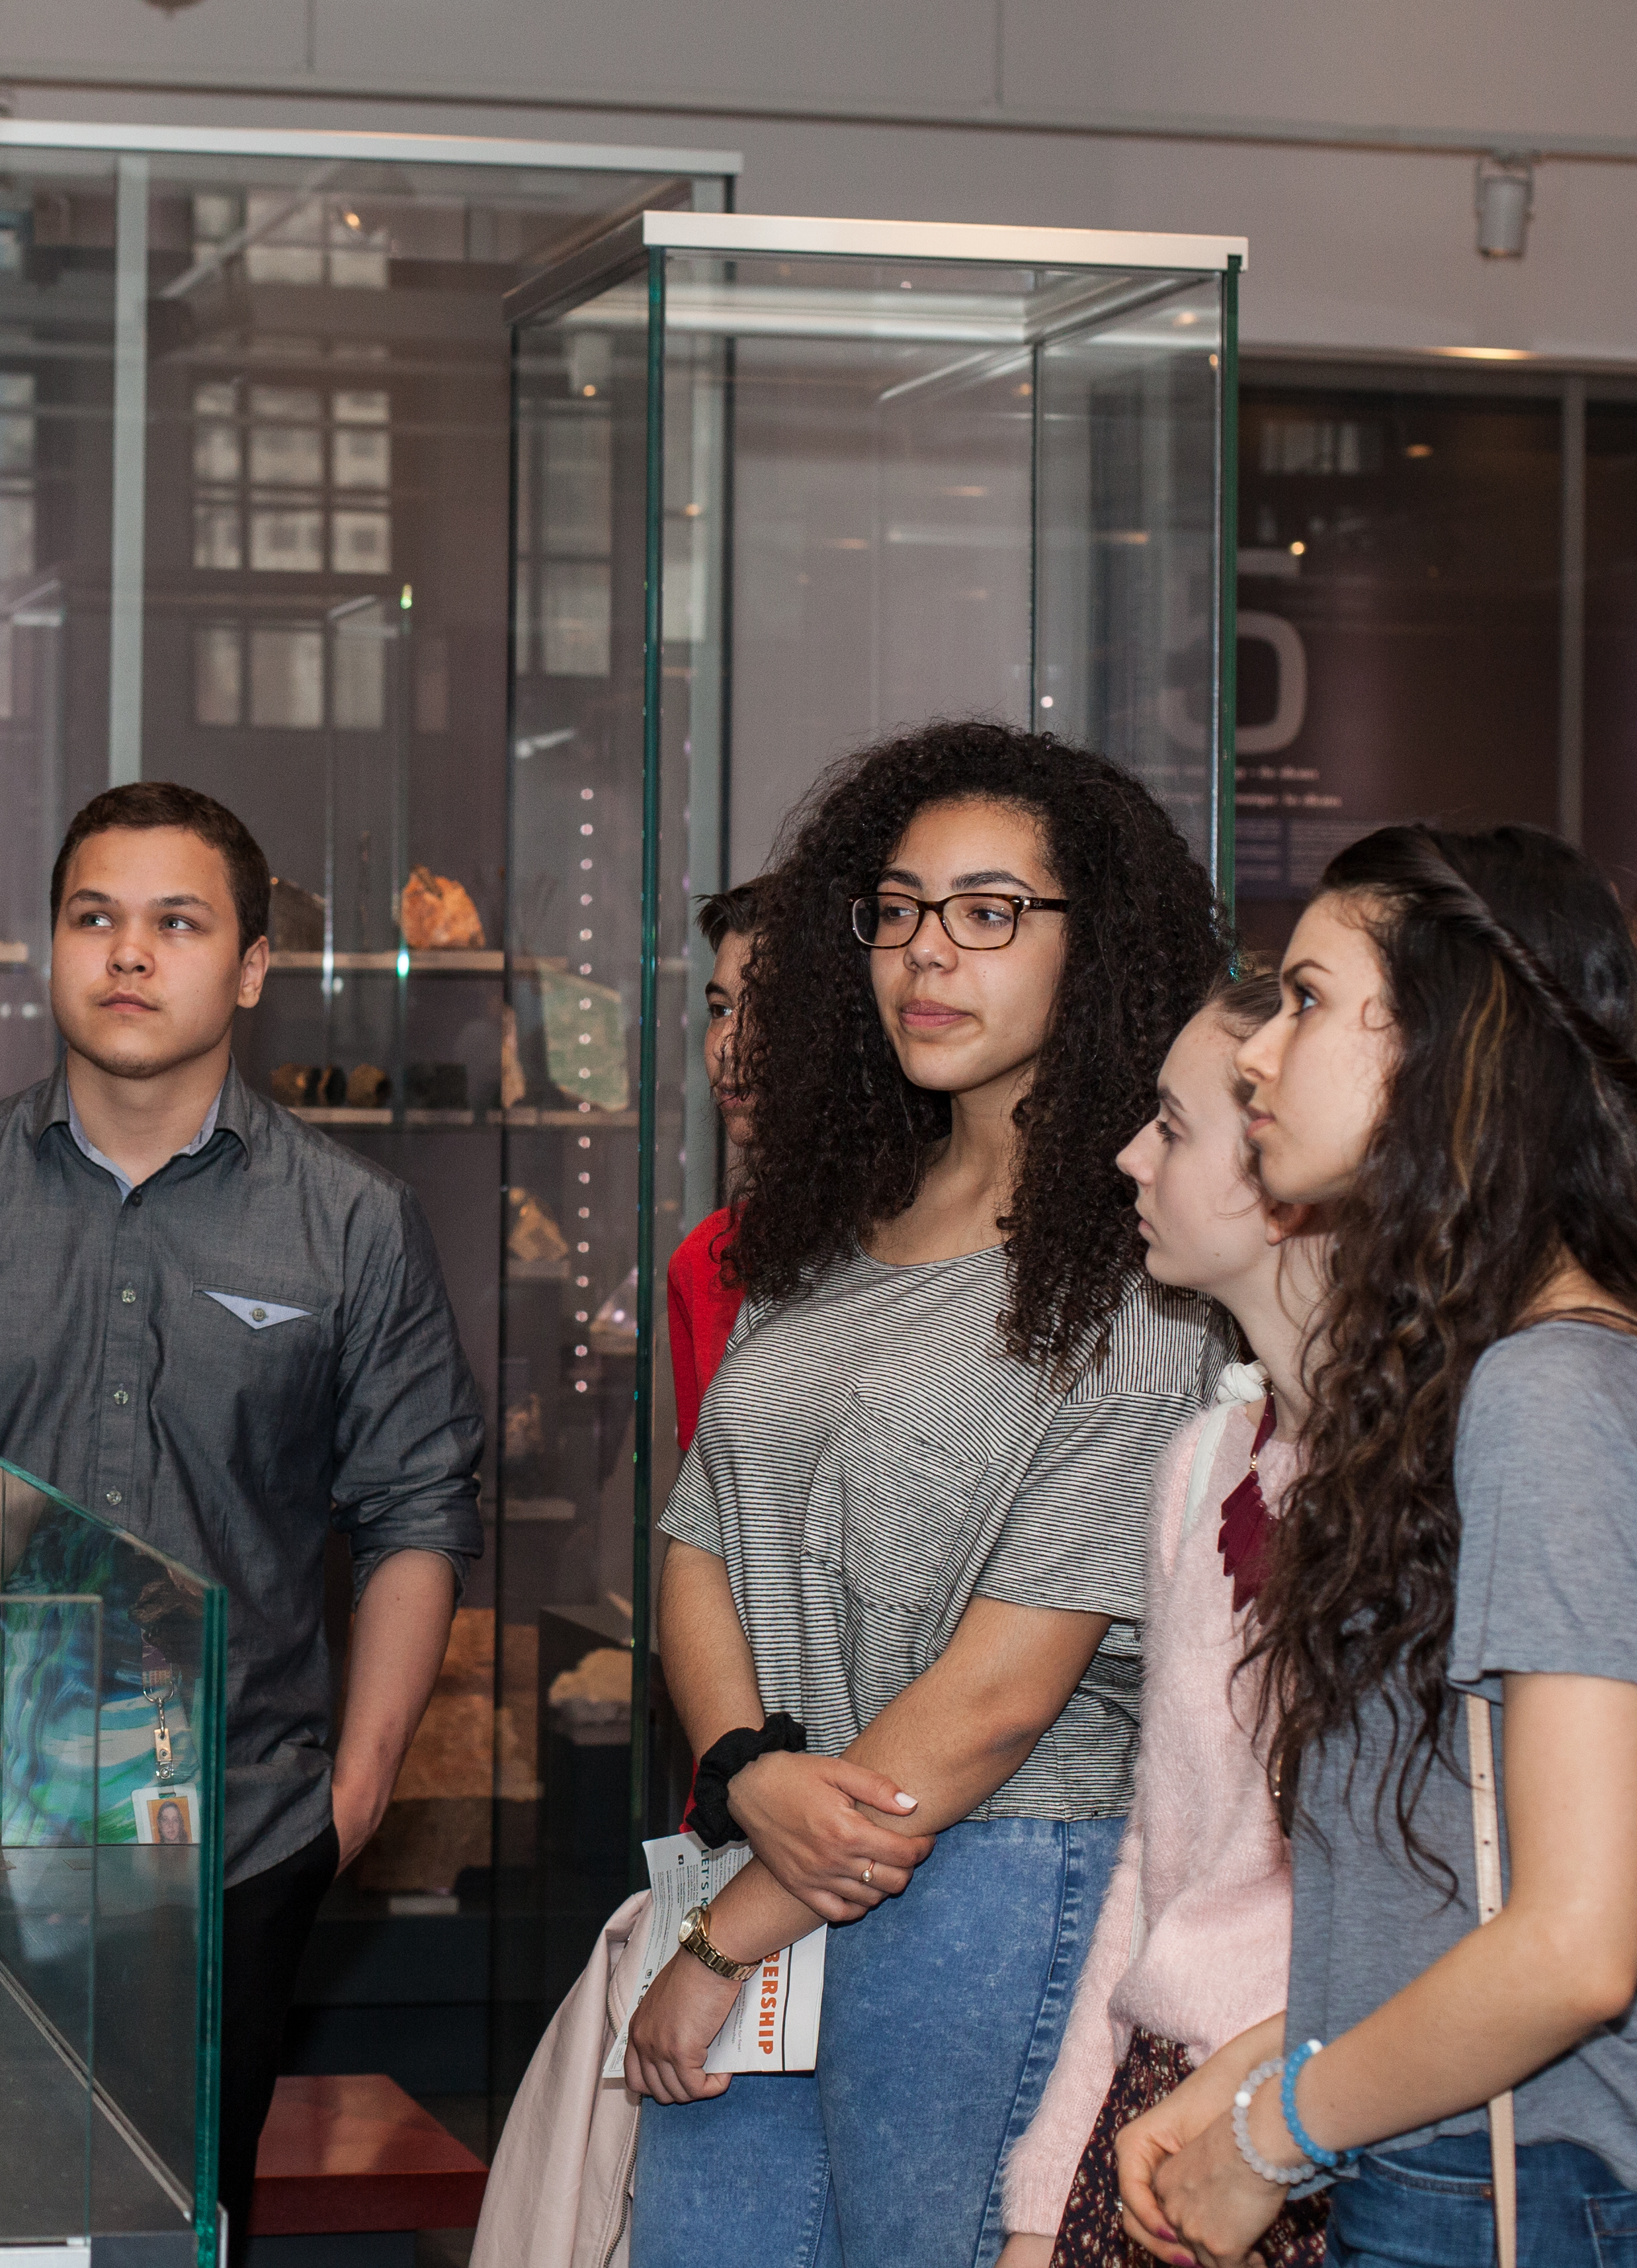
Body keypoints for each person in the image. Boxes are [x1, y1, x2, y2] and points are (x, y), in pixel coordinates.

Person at [1126, 823, 1637, 2268]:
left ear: (1449, 1043)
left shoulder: (1550, 1392)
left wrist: (1278, 2136)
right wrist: (1272, 2059)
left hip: (1518, 2196)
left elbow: (1574, 1950)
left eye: (1313, 1000)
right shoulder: (1536, 1370)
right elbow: (1468, 1906)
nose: (1260, 1056)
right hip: (1499, 2171)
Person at [0, 778, 485, 2241]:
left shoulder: (352, 1224)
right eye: (95, 919)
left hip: (223, 1846)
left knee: (176, 2228)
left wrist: (354, 1796)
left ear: (250, 967)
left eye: (176, 924)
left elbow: (418, 1512)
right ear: (50, 949)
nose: (128, 954)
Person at [624, 721, 1231, 2268]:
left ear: (1099, 947)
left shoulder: (1140, 1266)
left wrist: (719, 1936)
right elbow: (700, 1532)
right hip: (779, 1847)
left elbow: (998, 1697)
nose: (923, 955)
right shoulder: (832, 1217)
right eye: (894, 909)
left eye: (987, 911)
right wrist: (748, 1765)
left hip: (990, 1882)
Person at [997, 970, 1331, 2268]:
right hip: (1155, 2107)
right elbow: (1158, 1852)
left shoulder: (1411, 1485)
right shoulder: (1205, 1460)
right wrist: (1042, 2202)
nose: (1132, 1156)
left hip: (1310, 2121)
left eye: (1175, 1127)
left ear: (1277, 1170)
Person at [665, 878, 769, 1455]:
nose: (730, 1045)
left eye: (771, 1008)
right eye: (719, 1010)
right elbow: (704, 1522)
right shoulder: (705, 1264)